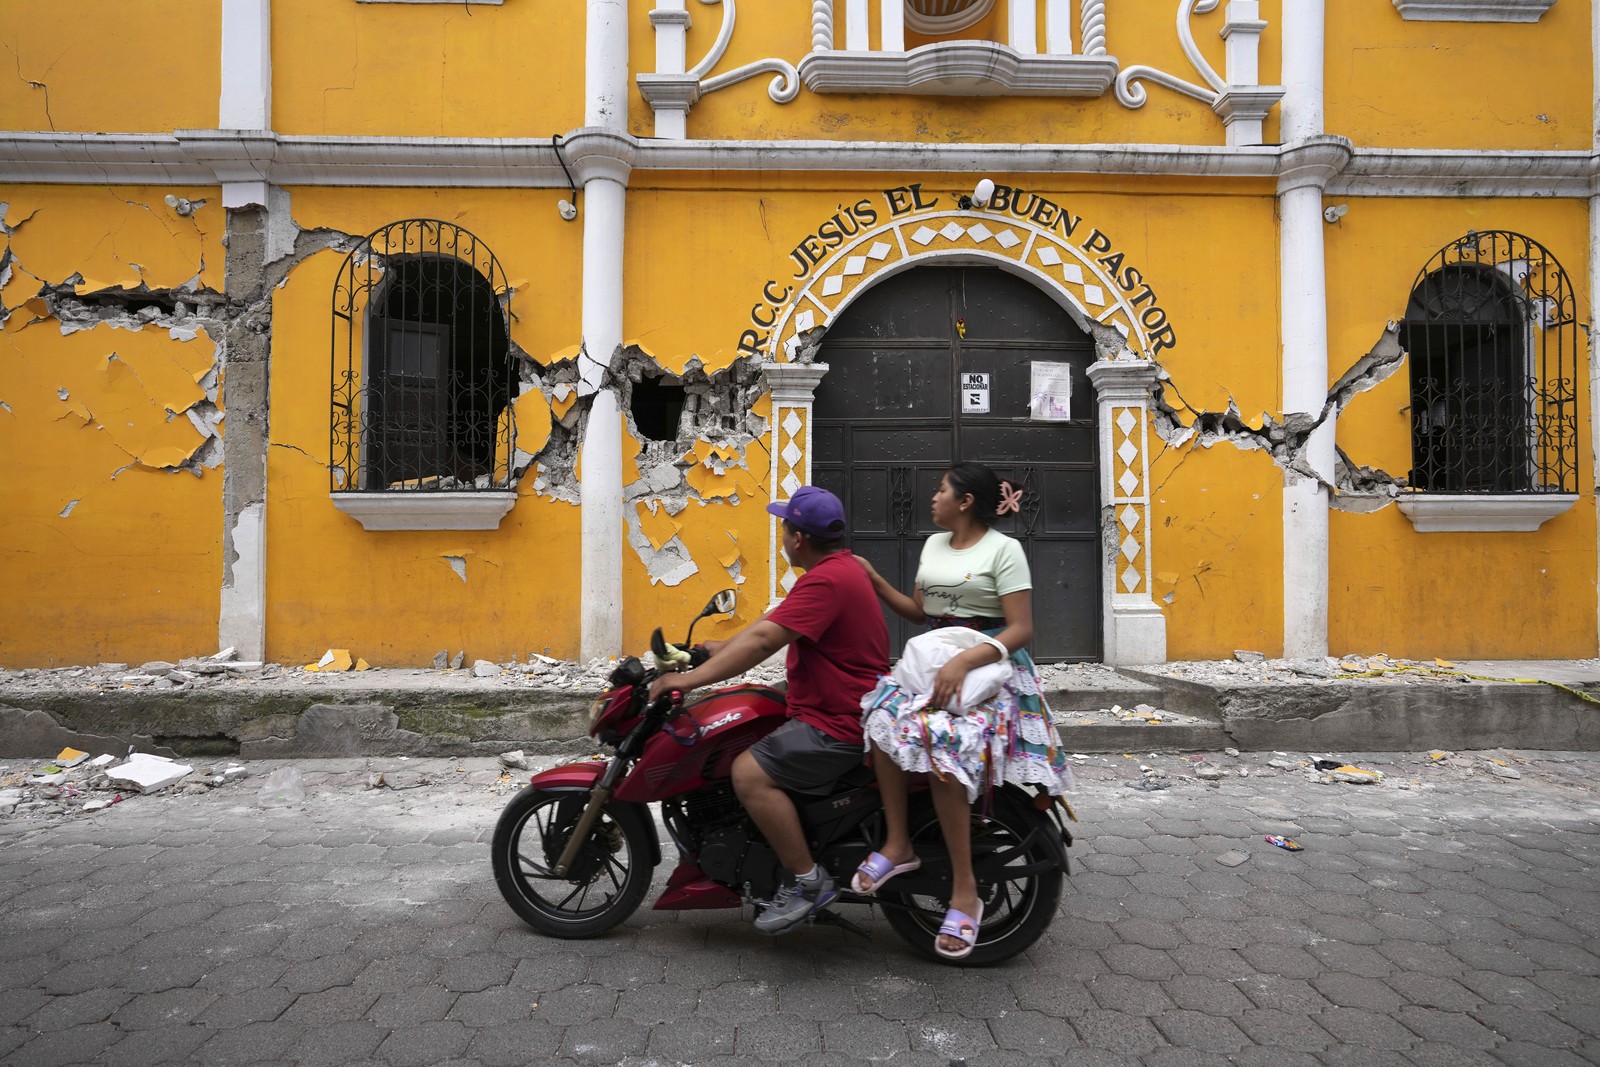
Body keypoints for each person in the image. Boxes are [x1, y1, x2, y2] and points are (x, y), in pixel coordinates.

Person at [852, 462, 1075, 960]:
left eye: (941, 490)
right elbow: (919, 612)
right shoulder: (933, 546)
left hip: (990, 665)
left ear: (966, 501)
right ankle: (897, 845)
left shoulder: (1005, 550)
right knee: (881, 720)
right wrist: (873, 580)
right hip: (936, 658)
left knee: (945, 748)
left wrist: (967, 658)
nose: (933, 498)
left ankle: (965, 893)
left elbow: (1020, 628)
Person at [647, 485, 889, 934]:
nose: (781, 534)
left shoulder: (826, 580)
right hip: (832, 706)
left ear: (798, 538)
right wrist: (704, 651)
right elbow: (766, 627)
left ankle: (807, 882)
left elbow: (762, 643)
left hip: (837, 722)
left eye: (784, 526)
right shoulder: (836, 570)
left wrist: (685, 680)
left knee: (748, 773)